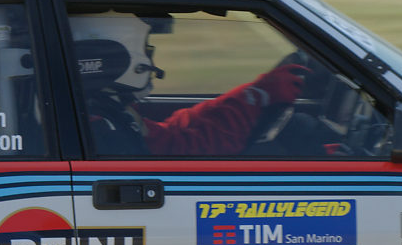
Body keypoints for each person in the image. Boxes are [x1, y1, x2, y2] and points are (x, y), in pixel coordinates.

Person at [72, 14, 306, 156]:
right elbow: (187, 148)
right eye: (146, 49)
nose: (150, 59)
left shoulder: (104, 109)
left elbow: (171, 132)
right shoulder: (103, 126)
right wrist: (260, 97)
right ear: (117, 55)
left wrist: (253, 94)